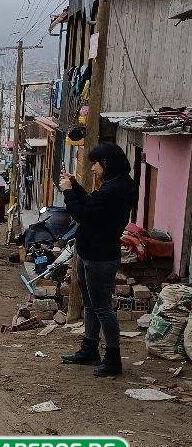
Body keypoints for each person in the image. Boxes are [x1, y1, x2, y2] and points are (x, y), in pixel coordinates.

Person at [59, 143, 138, 377]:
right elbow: (92, 206)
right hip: (90, 252)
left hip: (99, 256)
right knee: (92, 305)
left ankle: (113, 358)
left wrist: (67, 192)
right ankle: (90, 348)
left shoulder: (113, 190)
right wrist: (75, 186)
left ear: (106, 164)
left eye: (95, 163)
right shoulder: (117, 186)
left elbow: (82, 214)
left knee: (102, 307)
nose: (93, 168)